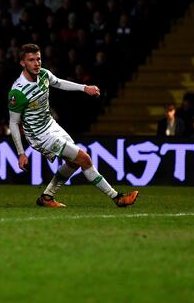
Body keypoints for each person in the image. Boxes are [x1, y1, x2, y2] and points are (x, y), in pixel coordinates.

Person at [8, 43, 138, 208]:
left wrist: (84, 88)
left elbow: (59, 83)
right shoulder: (18, 92)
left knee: (74, 162)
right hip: (39, 135)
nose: (36, 63)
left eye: (38, 59)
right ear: (23, 63)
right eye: (31, 60)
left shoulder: (43, 74)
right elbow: (13, 123)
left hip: (51, 125)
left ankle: (47, 196)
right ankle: (117, 198)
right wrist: (21, 153)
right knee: (84, 159)